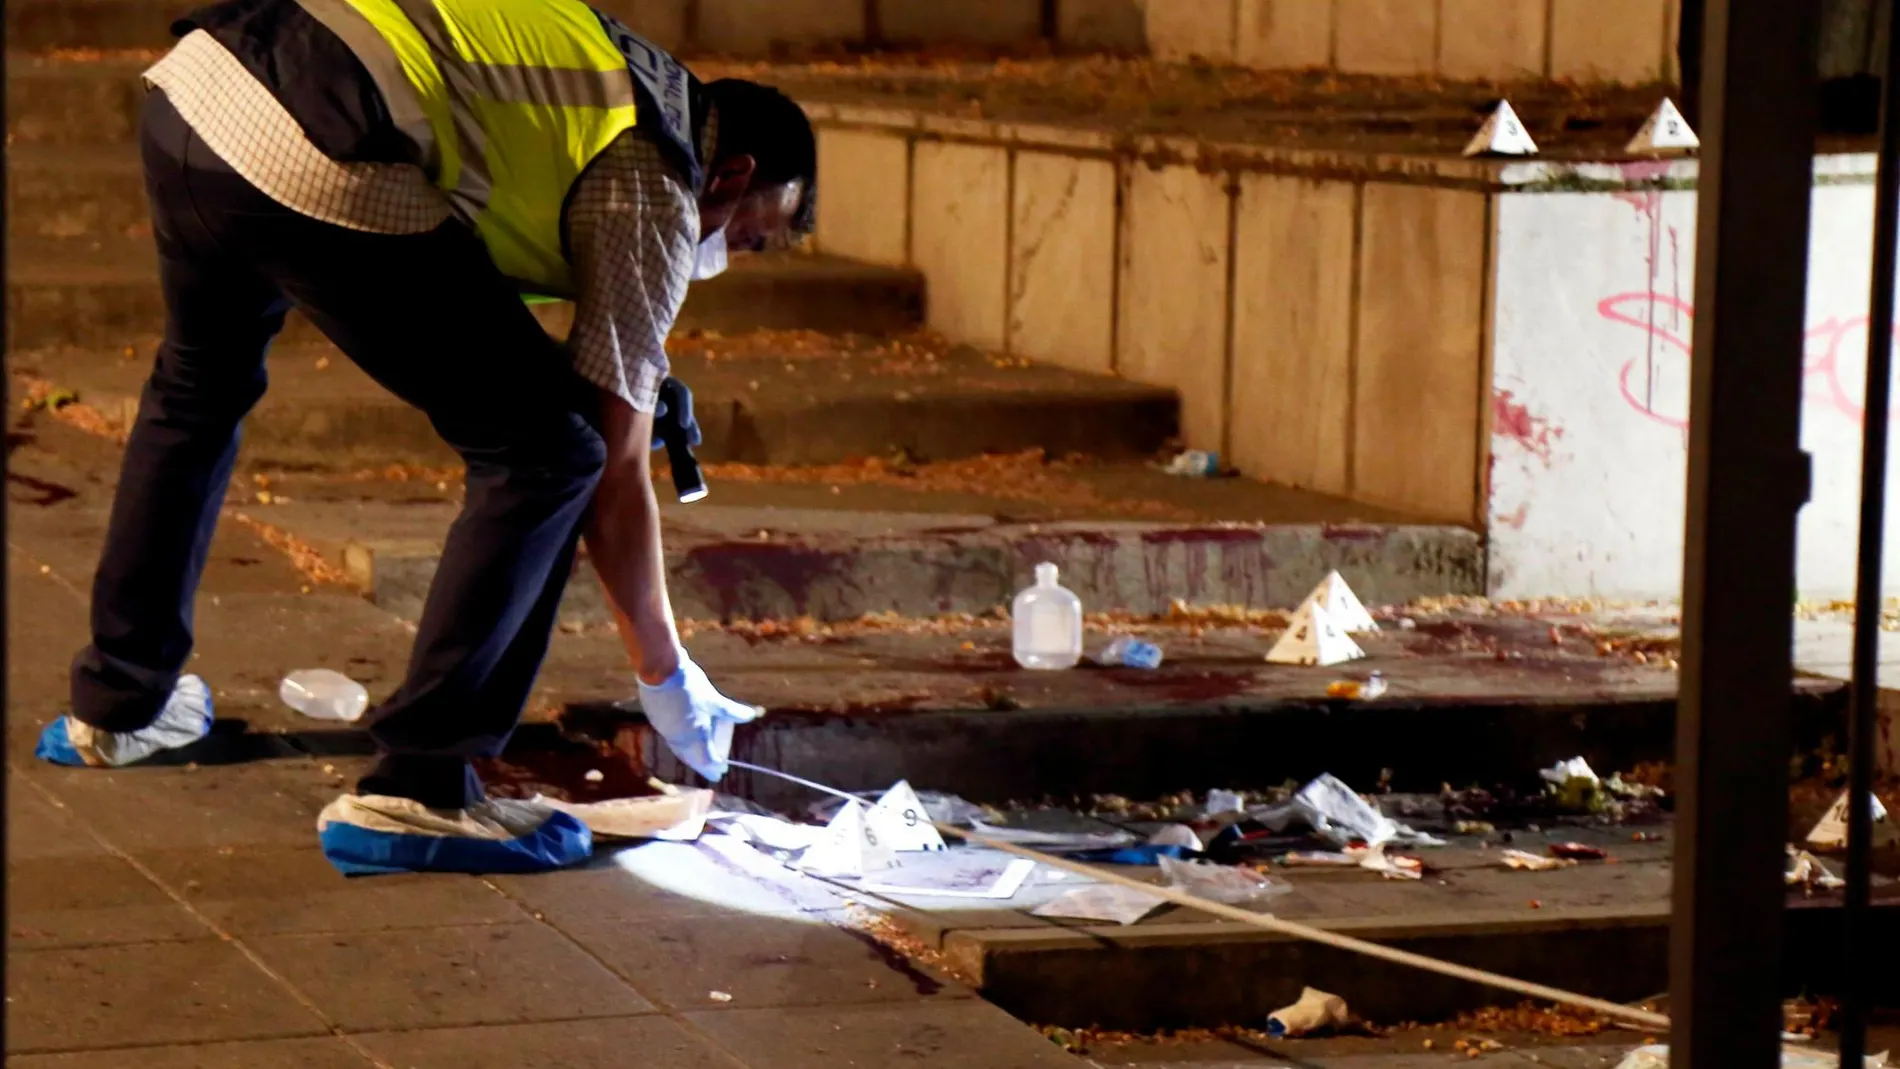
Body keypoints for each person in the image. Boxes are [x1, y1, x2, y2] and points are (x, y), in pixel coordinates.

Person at [34, 0, 816, 876]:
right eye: (745, 235)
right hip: (318, 134)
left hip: (199, 93)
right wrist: (667, 678)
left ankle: (120, 705)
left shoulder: (620, 85)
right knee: (550, 454)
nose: (720, 253)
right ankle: (420, 785)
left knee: (196, 389)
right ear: (732, 173)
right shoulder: (660, 175)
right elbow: (614, 464)